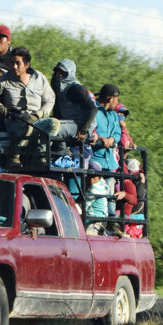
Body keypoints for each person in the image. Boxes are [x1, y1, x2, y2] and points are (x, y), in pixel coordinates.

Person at [0, 47, 59, 167]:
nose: (14, 66)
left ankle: (41, 154)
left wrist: (38, 114)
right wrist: (2, 109)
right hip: (15, 121)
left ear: (27, 64)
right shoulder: (5, 79)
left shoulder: (39, 78)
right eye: (12, 63)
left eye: (18, 63)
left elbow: (50, 100)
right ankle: (14, 155)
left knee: (54, 123)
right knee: (27, 125)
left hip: (37, 120)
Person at [90, 83, 122, 216]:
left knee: (110, 192)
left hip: (109, 163)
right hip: (96, 160)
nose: (117, 103)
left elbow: (118, 133)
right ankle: (96, 217)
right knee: (96, 193)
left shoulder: (114, 115)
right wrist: (101, 140)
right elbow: (90, 131)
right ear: (110, 99)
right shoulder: (94, 111)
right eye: (117, 99)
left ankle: (111, 219)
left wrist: (112, 140)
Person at [51, 59, 97, 145]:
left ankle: (59, 151)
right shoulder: (57, 87)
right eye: (57, 71)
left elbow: (93, 109)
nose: (59, 75)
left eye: (63, 72)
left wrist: (84, 131)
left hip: (81, 124)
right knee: (41, 125)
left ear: (70, 73)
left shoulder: (76, 88)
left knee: (51, 128)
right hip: (67, 122)